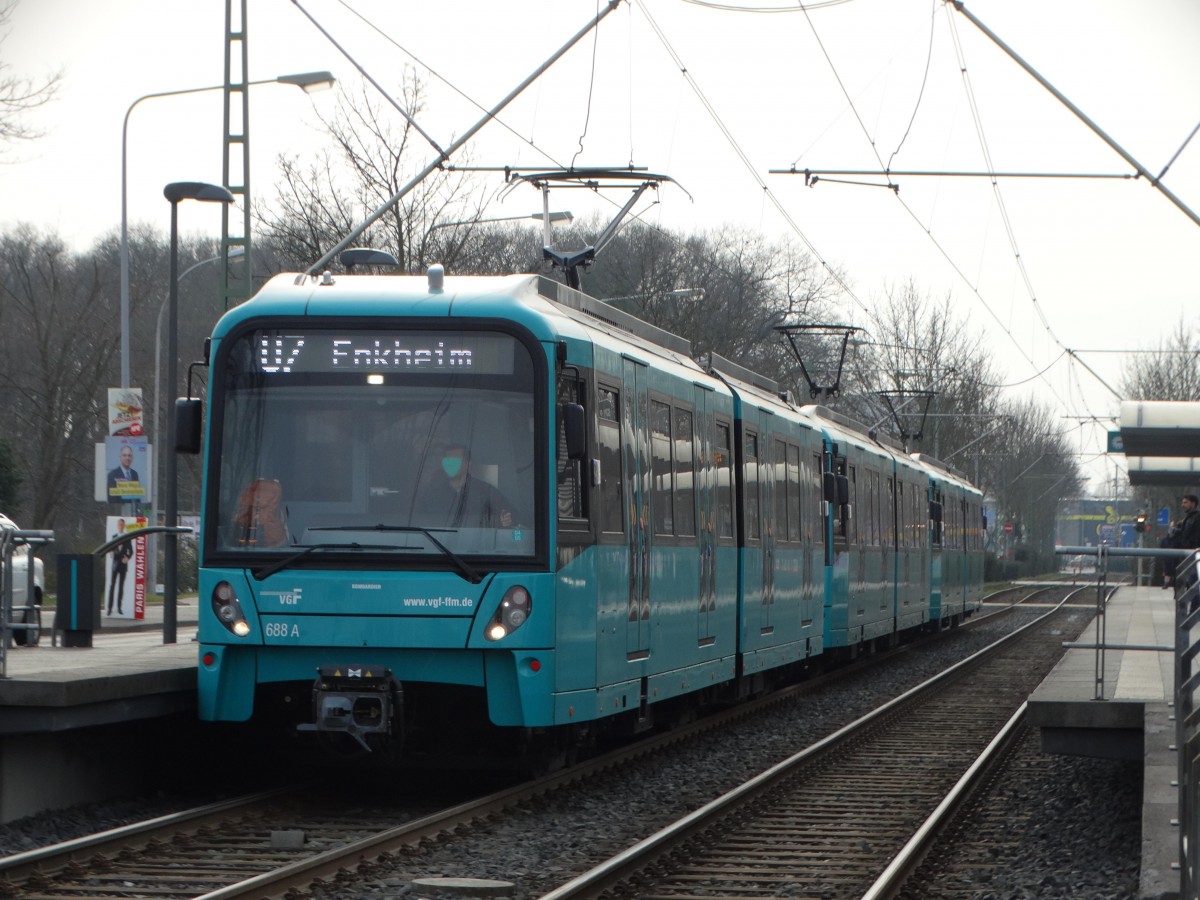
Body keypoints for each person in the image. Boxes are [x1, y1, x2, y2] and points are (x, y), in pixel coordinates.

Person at [416, 443, 516, 529]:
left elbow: (512, 518)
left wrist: (506, 520)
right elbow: (419, 523)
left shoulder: (486, 491)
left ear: (468, 463)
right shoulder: (433, 496)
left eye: (456, 460)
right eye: (447, 460)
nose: (451, 464)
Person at [1164, 494, 1200, 592]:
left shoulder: (1197, 518)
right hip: (1186, 554)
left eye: (1185, 502)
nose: (1182, 505)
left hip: (1193, 553)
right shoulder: (1187, 519)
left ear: (1193, 504)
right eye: (1182, 502)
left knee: (1192, 580)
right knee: (1185, 580)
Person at [106, 519, 133, 615]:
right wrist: (111, 552)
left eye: (122, 524)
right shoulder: (114, 537)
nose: (121, 526)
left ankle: (119, 607)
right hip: (115, 563)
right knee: (112, 585)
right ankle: (109, 608)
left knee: (121, 586)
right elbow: (110, 548)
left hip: (123, 564)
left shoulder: (127, 537)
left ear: (124, 525)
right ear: (118, 525)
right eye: (119, 524)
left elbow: (131, 551)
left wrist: (127, 558)